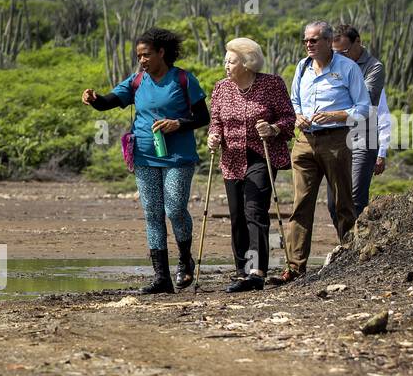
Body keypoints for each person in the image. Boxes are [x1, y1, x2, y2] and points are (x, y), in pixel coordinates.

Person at [83, 28, 209, 293]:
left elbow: (202, 117)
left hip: (177, 156)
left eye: (146, 55)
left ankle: (185, 260)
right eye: (139, 56)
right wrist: (95, 100)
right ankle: (161, 278)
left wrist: (178, 123)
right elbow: (109, 101)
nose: (142, 60)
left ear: (161, 52)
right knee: (152, 213)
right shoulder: (137, 81)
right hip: (144, 155)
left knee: (174, 209)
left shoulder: (184, 79)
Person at [277, 20, 370, 284]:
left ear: (329, 42)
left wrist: (337, 115)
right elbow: (293, 101)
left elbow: (363, 108)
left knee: (343, 202)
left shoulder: (348, 68)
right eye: (306, 40)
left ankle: (351, 258)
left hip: (337, 140)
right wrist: (297, 117)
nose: (309, 44)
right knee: (301, 205)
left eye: (314, 40)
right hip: (305, 141)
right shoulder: (302, 67)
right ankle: (295, 267)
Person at [206, 37, 296, 292]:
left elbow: (289, 118)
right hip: (231, 158)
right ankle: (241, 272)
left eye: (231, 61)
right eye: (225, 61)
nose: (226, 65)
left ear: (246, 63)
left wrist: (273, 128)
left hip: (262, 155)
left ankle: (257, 272)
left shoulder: (271, 84)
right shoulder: (221, 88)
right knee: (236, 216)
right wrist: (214, 137)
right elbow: (216, 122)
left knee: (254, 211)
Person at [328, 23, 385, 220]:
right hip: (335, 135)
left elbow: (365, 100)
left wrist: (334, 98)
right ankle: (345, 245)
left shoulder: (374, 67)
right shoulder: (330, 64)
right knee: (333, 202)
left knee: (354, 199)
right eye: (335, 53)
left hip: (363, 135)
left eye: (344, 51)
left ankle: (355, 247)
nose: (340, 57)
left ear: (358, 42)